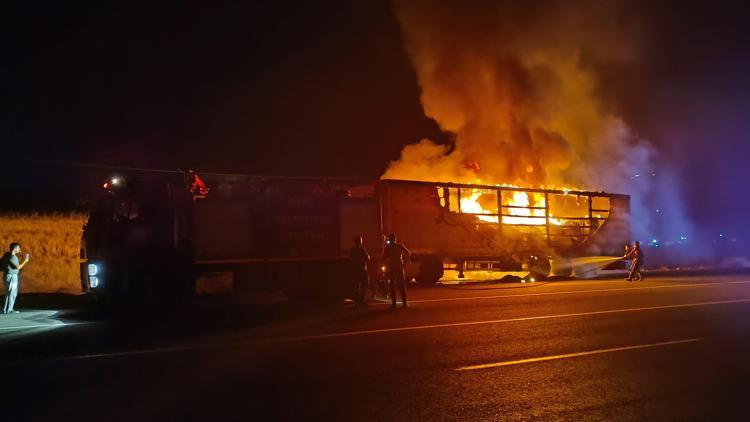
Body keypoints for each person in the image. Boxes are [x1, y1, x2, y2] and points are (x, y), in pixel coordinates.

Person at [1, 243, 30, 314]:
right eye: (18, 248)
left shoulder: (6, 255)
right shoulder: (13, 257)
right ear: (15, 248)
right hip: (12, 276)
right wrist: (25, 261)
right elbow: (17, 267)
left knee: (9, 293)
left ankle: (6, 309)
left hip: (7, 275)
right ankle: (9, 309)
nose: (19, 250)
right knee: (12, 293)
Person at [383, 233, 410, 308]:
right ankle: (404, 303)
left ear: (389, 239)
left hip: (391, 268)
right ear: (395, 239)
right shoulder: (399, 246)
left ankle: (394, 303)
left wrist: (386, 265)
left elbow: (384, 258)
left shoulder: (388, 248)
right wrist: (406, 262)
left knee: (392, 285)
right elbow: (408, 252)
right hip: (399, 267)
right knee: (401, 285)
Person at [349, 235, 370, 307]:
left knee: (356, 286)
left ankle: (357, 302)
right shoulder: (362, 249)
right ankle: (361, 300)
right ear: (360, 241)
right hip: (362, 269)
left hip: (355, 270)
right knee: (365, 284)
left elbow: (351, 260)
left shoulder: (352, 250)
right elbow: (367, 258)